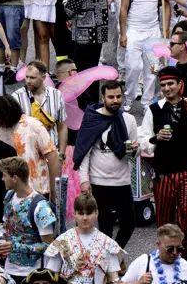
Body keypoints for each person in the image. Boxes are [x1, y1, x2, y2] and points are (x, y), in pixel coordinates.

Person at [140, 68, 187, 256]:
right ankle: (165, 257)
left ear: (180, 84)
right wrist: (156, 138)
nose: (167, 88)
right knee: (164, 217)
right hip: (164, 172)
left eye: (170, 84)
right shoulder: (154, 109)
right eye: (163, 85)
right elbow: (143, 139)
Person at [72, 79, 140, 248]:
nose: (115, 100)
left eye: (118, 96)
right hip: (99, 181)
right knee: (105, 226)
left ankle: (113, 254)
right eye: (111, 97)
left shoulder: (129, 119)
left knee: (129, 224)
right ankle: (106, 261)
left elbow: (134, 153)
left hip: (122, 181)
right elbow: (84, 152)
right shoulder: (92, 119)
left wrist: (133, 149)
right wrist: (84, 180)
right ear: (103, 97)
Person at [0, 155, 57, 281]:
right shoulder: (9, 196)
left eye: (4, 175)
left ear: (15, 178)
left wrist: (14, 247)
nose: (2, 179)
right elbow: (6, 227)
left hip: (33, 274)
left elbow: (48, 246)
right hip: (9, 271)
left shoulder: (41, 208)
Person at [41, 191, 124, 284]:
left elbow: (114, 279)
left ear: (96, 214)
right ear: (74, 214)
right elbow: (51, 276)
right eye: (81, 213)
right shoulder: (62, 241)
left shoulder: (108, 244)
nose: (85, 218)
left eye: (88, 213)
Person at [120, 225, 187, 284]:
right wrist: (138, 283)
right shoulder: (143, 262)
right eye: (170, 249)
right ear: (158, 245)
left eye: (179, 249)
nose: (175, 253)